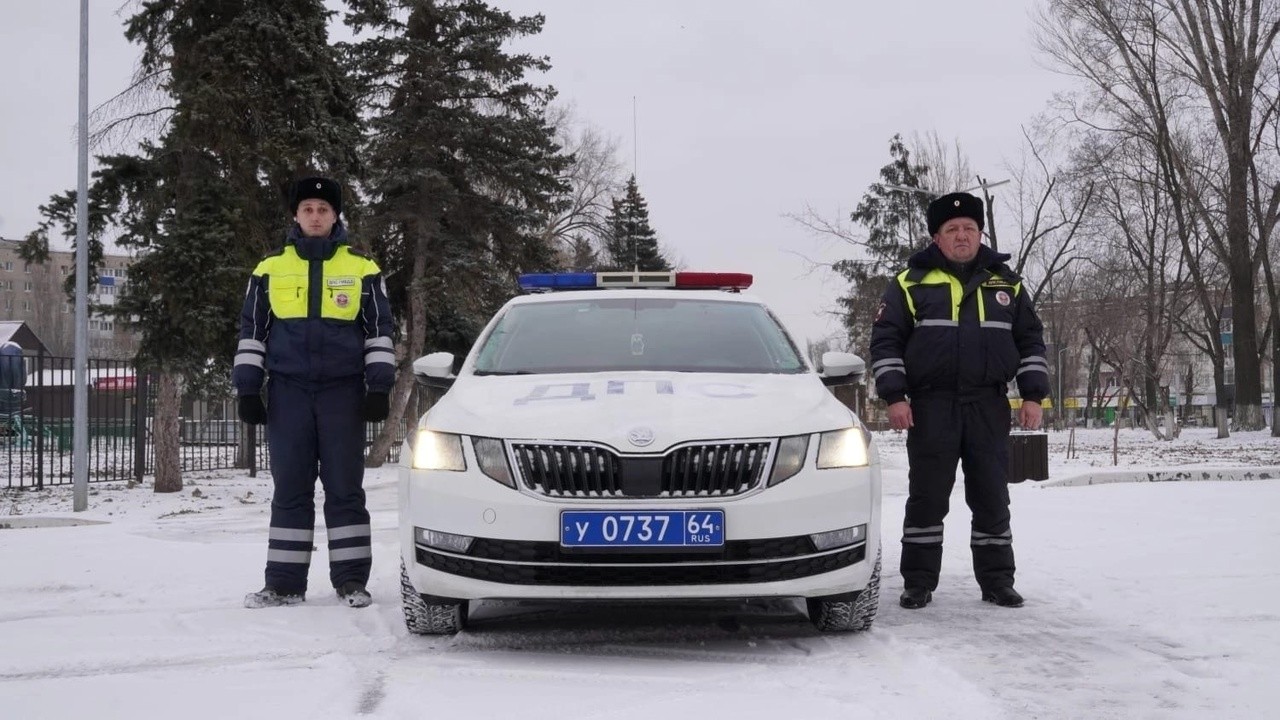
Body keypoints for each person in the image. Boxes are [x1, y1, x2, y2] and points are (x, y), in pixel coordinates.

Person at [870, 191, 1048, 610]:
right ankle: (917, 582)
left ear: (980, 233)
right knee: (927, 496)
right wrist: (895, 396)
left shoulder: (1007, 283)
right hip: (932, 407)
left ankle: (997, 581)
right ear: (936, 237)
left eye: (969, 228)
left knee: (991, 495)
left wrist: (1033, 395)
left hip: (988, 405)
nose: (962, 235)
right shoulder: (910, 283)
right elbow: (886, 341)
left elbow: (1030, 341)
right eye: (952, 230)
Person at [233, 176, 396, 609]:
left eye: (324, 209)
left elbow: (380, 333)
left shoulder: (363, 269)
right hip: (288, 394)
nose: (316, 216)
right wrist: (248, 389)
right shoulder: (269, 269)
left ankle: (351, 582)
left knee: (345, 489)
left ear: (336, 215)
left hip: (343, 394)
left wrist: (378, 387)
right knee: (290, 488)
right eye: (308, 208)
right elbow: (252, 333)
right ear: (295, 214)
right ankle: (284, 584)